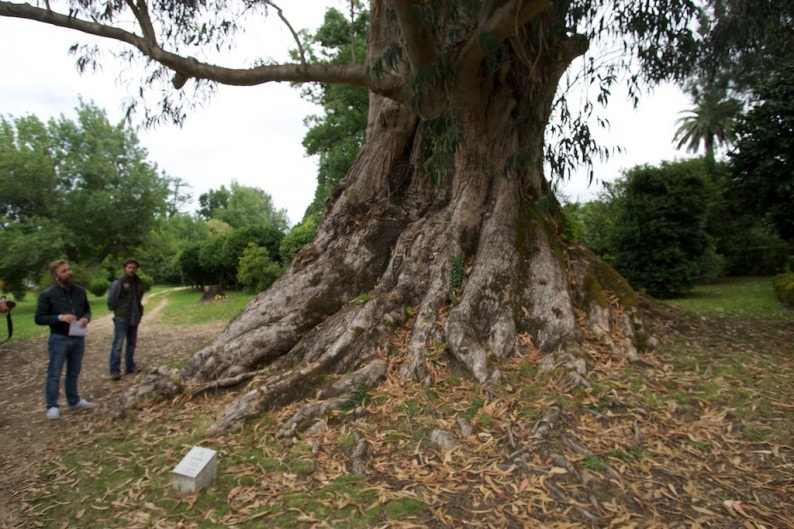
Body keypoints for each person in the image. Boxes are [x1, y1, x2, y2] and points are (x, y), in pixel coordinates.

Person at [35, 259, 96, 420]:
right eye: (64, 271)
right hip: (59, 338)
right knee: (54, 373)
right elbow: (39, 318)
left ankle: (74, 400)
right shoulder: (48, 294)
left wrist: (85, 318)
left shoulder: (79, 291)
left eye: (68, 269)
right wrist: (60, 317)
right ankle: (52, 406)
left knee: (74, 372)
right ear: (56, 277)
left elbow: (87, 311)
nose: (69, 273)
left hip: (78, 337)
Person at [106, 257, 144, 380]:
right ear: (125, 268)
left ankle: (130, 366)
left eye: (134, 268)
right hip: (122, 317)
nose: (132, 270)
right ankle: (114, 370)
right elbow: (111, 300)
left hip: (134, 316)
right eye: (129, 267)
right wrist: (117, 311)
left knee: (131, 344)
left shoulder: (139, 282)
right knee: (118, 344)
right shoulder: (118, 283)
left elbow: (139, 298)